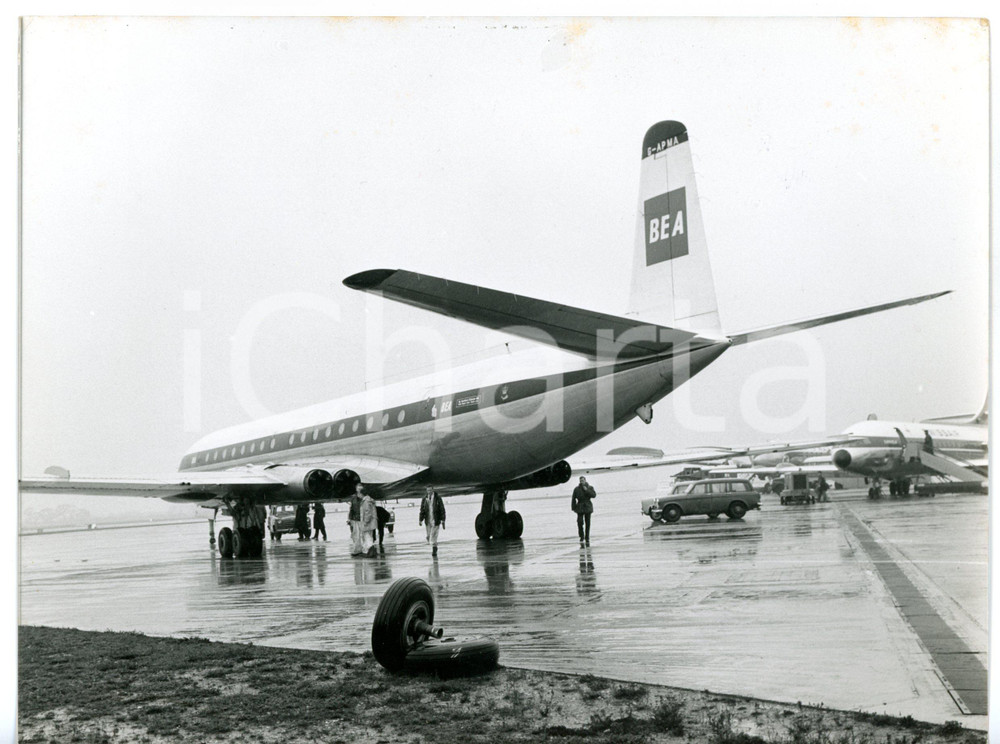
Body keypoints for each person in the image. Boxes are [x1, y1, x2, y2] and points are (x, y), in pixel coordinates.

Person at [418, 486, 446, 556]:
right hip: (428, 520)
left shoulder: (437, 498)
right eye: (428, 490)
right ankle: (434, 545)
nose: (429, 492)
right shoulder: (425, 499)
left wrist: (443, 519)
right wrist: (420, 519)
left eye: (430, 490)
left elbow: (442, 509)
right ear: (426, 491)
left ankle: (434, 549)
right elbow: (422, 510)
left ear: (433, 490)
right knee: (428, 536)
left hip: (436, 519)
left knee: (434, 535)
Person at [571, 476, 596, 543]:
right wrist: (573, 507)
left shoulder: (590, 487)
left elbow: (594, 495)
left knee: (587, 523)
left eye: (583, 480)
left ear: (585, 480)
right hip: (580, 506)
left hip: (587, 506)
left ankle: (587, 537)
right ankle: (581, 536)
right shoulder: (576, 489)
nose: (582, 481)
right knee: (579, 522)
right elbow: (573, 498)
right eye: (580, 480)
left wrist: (586, 490)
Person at [360, 488, 378, 557]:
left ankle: (371, 551)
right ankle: (371, 551)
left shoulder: (366, 501)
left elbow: (367, 512)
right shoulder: (369, 500)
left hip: (368, 522)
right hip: (372, 522)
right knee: (369, 535)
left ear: (362, 494)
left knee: (367, 536)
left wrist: (365, 521)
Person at [348, 484, 364, 555]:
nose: (359, 488)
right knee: (355, 535)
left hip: (363, 518)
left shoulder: (366, 498)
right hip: (355, 519)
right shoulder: (353, 497)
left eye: (360, 486)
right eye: (358, 486)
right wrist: (350, 518)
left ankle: (365, 549)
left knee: (364, 535)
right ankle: (357, 550)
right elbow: (351, 509)